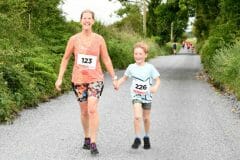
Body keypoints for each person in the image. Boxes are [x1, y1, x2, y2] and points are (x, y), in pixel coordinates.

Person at [55, 9, 117, 155]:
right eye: (84, 18)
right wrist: (59, 77)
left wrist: (114, 77)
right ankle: (87, 137)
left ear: (93, 21)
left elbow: (106, 59)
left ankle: (94, 143)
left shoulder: (99, 39)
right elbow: (65, 59)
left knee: (92, 109)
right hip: (79, 80)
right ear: (80, 21)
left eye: (89, 18)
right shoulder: (74, 39)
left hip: (95, 79)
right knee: (84, 111)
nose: (87, 20)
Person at [115, 42, 160, 149]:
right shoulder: (131, 67)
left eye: (140, 54)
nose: (138, 56)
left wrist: (155, 87)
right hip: (136, 95)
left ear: (146, 55)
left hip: (147, 96)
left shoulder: (150, 67)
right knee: (137, 116)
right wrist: (117, 84)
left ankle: (146, 136)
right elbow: (124, 78)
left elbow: (158, 80)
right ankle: (137, 138)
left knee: (146, 118)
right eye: (136, 54)